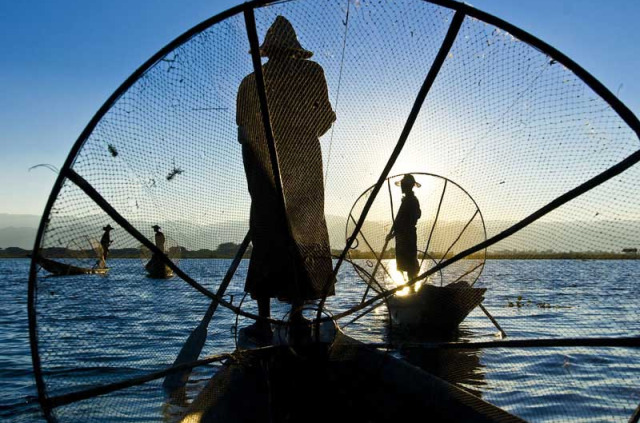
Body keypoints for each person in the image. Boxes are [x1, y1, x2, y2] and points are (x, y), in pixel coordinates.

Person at [236, 16, 336, 344]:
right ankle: (297, 319)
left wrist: (258, 183)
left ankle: (264, 322)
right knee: (302, 233)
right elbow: (323, 122)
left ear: (268, 50)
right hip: (304, 167)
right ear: (294, 48)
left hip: (264, 173)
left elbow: (245, 137)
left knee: (267, 235)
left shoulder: (251, 82)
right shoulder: (312, 73)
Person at [386, 174, 422, 281]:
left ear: (408, 186)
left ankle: (412, 288)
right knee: (404, 264)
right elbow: (399, 220)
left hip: (407, 236)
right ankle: (409, 286)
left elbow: (410, 219)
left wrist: (393, 233)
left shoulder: (411, 200)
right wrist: (393, 233)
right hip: (403, 236)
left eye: (403, 184)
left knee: (410, 264)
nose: (401, 187)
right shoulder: (407, 200)